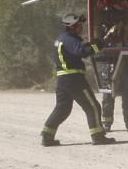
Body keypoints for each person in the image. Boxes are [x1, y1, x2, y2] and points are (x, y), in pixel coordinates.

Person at [41, 13, 116, 146]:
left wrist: (95, 43)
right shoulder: (69, 39)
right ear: (72, 27)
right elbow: (82, 51)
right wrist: (100, 45)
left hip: (63, 80)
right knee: (92, 106)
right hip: (73, 79)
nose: (81, 27)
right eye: (79, 25)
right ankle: (98, 136)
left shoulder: (62, 38)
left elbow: (79, 48)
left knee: (62, 109)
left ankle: (47, 136)